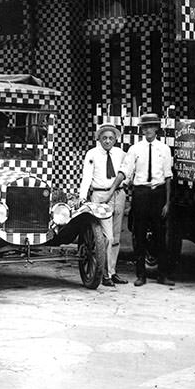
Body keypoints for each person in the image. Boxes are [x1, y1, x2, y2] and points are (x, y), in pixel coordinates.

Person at [110, 113, 174, 287]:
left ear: (156, 128)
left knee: (161, 236)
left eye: (151, 127)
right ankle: (141, 275)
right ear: (142, 129)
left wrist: (167, 203)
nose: (148, 130)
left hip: (158, 193)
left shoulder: (165, 149)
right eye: (145, 127)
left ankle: (162, 275)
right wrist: (113, 188)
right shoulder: (135, 149)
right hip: (141, 194)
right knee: (139, 234)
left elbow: (168, 177)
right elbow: (125, 171)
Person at [79, 123, 128, 287]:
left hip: (118, 195)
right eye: (104, 138)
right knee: (107, 237)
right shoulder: (92, 154)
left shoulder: (121, 154)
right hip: (100, 196)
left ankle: (112, 272)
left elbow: (126, 173)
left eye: (111, 138)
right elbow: (87, 176)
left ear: (115, 139)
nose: (108, 141)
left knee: (116, 237)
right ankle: (105, 275)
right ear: (99, 138)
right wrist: (82, 195)